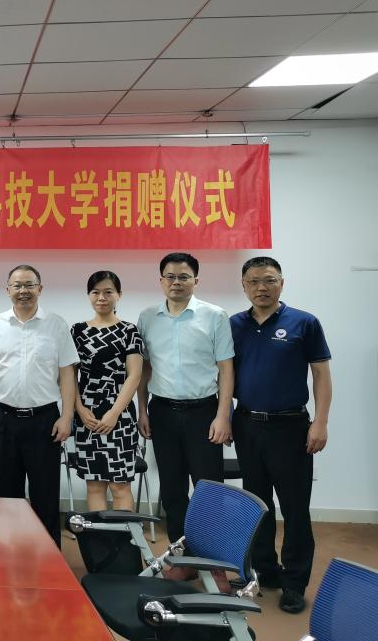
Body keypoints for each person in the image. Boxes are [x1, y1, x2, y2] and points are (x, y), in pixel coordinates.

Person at [230, 256, 333, 614]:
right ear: (244, 285)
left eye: (269, 280)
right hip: (246, 425)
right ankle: (265, 570)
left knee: (294, 508)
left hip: (291, 427)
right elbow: (225, 375)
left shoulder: (304, 322)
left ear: (281, 283)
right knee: (257, 504)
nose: (262, 287)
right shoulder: (234, 325)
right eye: (254, 281)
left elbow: (321, 374)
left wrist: (320, 422)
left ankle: (294, 582)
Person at [0, 265, 78, 546]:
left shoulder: (56, 325)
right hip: (4, 417)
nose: (23, 291)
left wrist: (66, 416)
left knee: (45, 494)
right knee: (7, 493)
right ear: (8, 290)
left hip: (45, 420)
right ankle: (9, 552)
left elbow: (67, 373)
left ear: (40, 289)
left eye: (29, 285)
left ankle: (49, 556)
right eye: (17, 285)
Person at [137, 252, 234, 543]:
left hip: (204, 413)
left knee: (209, 488)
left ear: (196, 281)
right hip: (162, 411)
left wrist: (223, 415)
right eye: (170, 277)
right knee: (172, 488)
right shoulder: (147, 317)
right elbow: (144, 368)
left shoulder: (215, 316)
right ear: (161, 280)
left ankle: (211, 553)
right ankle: (179, 551)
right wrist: (142, 411)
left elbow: (226, 370)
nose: (176, 282)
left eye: (183, 277)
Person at [70, 270, 144, 513]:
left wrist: (114, 413)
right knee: (94, 485)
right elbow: (70, 376)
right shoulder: (77, 331)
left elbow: (134, 375)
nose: (101, 297)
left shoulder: (129, 330)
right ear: (88, 295)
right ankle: (98, 536)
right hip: (87, 415)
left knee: (120, 485)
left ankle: (123, 536)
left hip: (120, 415)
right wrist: (80, 409)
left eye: (108, 292)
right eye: (95, 292)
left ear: (119, 295)